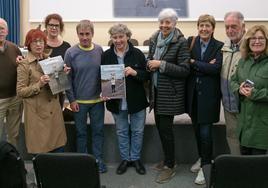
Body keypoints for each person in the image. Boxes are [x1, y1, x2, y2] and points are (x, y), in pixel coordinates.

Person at [147, 8, 190, 183]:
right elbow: (150, 58)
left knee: (166, 131)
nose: (164, 25)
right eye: (162, 22)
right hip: (156, 93)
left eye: (168, 22)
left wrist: (161, 64)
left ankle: (170, 166)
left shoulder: (181, 42)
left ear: (174, 23)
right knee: (161, 129)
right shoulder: (154, 38)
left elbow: (185, 70)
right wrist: (149, 63)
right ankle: (168, 159)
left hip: (169, 94)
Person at [102, 23, 149, 175]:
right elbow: (102, 78)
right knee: (121, 131)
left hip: (136, 101)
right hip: (116, 101)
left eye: (121, 37)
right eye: (114, 37)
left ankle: (135, 158)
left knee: (137, 131)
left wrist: (135, 72)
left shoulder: (138, 54)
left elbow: (146, 76)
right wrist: (104, 91)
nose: (118, 40)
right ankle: (125, 159)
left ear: (128, 37)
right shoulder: (106, 55)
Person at [64, 20, 107, 173]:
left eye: (87, 34)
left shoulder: (100, 50)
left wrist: (107, 91)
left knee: (98, 132)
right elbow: (67, 78)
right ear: (77, 34)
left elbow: (105, 73)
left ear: (92, 34)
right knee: (81, 134)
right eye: (81, 34)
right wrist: (72, 99)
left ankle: (98, 161)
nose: (84, 37)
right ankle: (82, 163)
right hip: (79, 102)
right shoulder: (70, 53)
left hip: (97, 102)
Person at [16, 28, 67, 154]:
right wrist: (38, 84)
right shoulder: (24, 65)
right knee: (42, 151)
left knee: (58, 147)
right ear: (29, 45)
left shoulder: (50, 60)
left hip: (54, 111)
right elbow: (20, 92)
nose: (38, 45)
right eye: (34, 42)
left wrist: (62, 75)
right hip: (37, 114)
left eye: (41, 42)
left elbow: (59, 86)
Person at [186, 14, 223, 185]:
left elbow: (215, 69)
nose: (204, 29)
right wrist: (203, 66)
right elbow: (186, 65)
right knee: (196, 131)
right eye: (201, 25)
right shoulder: (190, 42)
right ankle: (202, 158)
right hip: (193, 96)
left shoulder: (219, 46)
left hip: (209, 97)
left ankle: (206, 166)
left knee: (206, 134)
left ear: (213, 28)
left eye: (207, 26)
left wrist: (194, 62)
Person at [230, 25, 268, 155]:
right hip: (244, 125)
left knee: (259, 168)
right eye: (253, 38)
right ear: (248, 41)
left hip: (262, 127)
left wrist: (255, 94)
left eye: (261, 38)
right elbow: (233, 81)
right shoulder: (243, 61)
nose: (257, 41)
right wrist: (238, 89)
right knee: (246, 164)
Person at [221, 11, 246, 155]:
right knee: (232, 136)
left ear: (243, 26)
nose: (230, 30)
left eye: (234, 26)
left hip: (246, 104)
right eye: (227, 27)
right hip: (228, 104)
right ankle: (238, 167)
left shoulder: (251, 46)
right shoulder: (224, 47)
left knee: (248, 139)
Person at [0, 18, 23, 148]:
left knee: (13, 136)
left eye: (2, 28)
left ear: (7, 31)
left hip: (15, 98)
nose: (0, 31)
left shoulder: (14, 48)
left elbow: (23, 69)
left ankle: (12, 164)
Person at [44, 13, 71, 107]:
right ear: (46, 27)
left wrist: (67, 70)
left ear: (60, 28)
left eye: (56, 25)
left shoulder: (67, 46)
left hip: (59, 90)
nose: (54, 28)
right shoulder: (41, 45)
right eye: (51, 25)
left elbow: (69, 66)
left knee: (57, 117)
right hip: (43, 90)